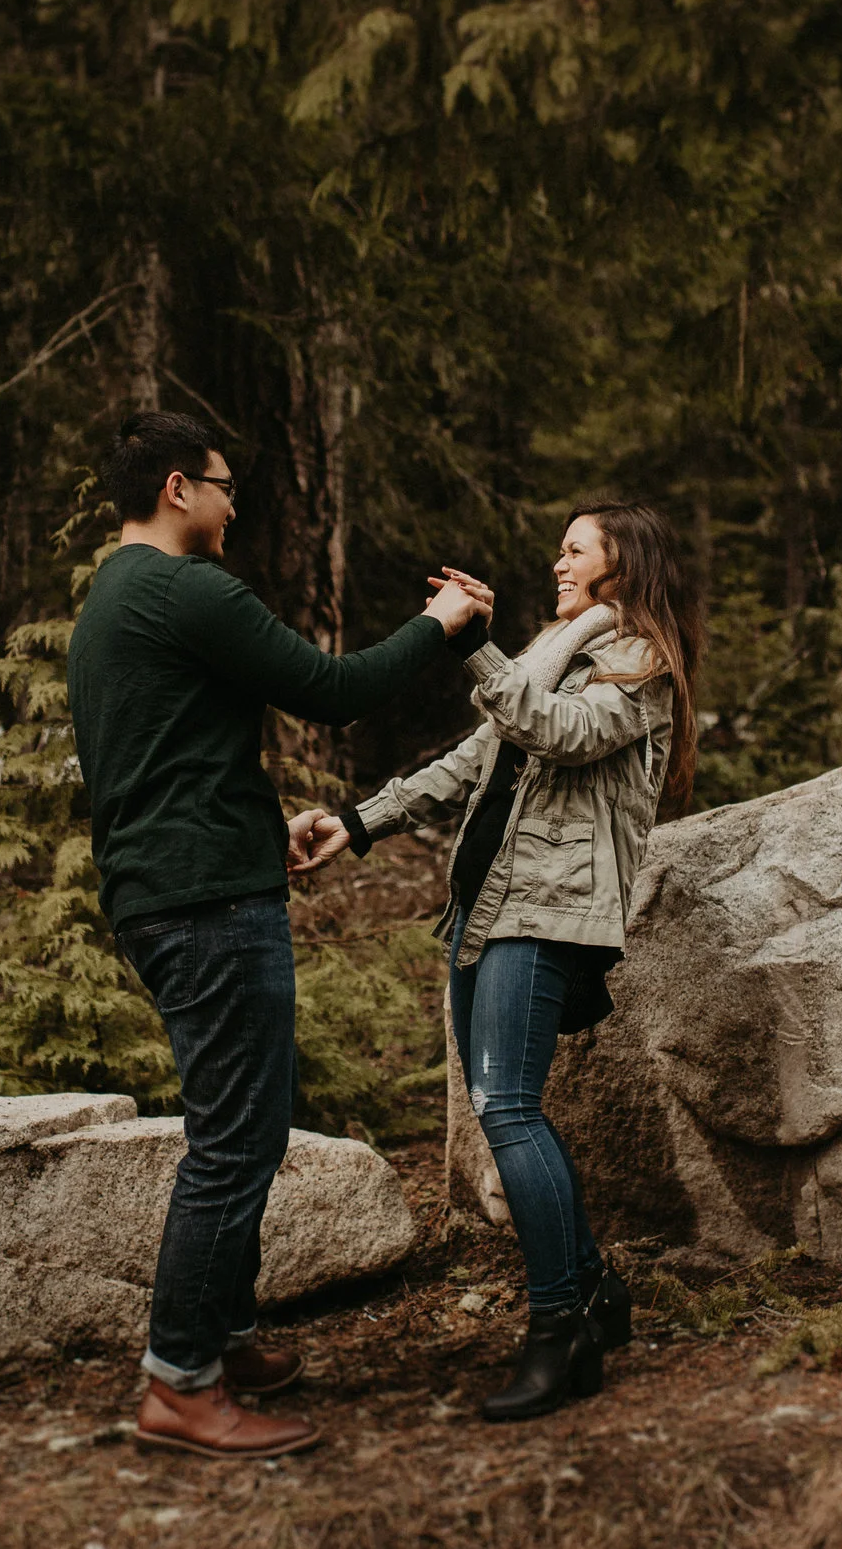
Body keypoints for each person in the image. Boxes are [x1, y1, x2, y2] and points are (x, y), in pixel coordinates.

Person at [67, 408, 491, 1460]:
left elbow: (172, 754)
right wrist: (440, 625)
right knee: (233, 1142)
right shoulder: (186, 587)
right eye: (220, 484)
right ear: (176, 490)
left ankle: (226, 1330)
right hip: (205, 898)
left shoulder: (112, 597)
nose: (231, 501)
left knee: (243, 1119)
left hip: (170, 886)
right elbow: (330, 691)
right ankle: (178, 1382)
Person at [288, 501, 701, 1421]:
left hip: (550, 912)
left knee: (508, 1108)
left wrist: (469, 643)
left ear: (621, 569)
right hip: (485, 907)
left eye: (574, 552)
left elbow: (557, 731)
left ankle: (559, 1325)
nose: (557, 564)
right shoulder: (550, 655)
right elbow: (474, 757)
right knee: (501, 1106)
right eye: (558, 551)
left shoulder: (641, 669)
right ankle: (592, 1290)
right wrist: (353, 824)